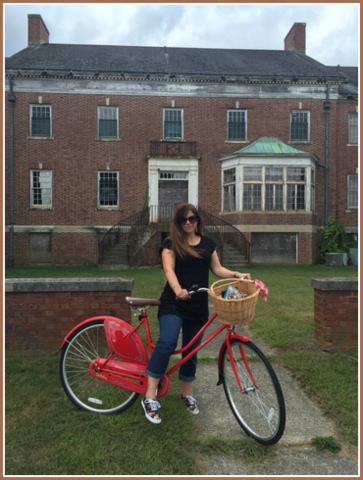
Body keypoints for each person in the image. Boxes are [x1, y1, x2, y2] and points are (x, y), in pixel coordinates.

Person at [141, 203, 250, 424]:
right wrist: (177, 289)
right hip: (174, 302)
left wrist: (237, 274)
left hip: (198, 304)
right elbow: (169, 269)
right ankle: (150, 396)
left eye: (192, 218)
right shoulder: (171, 243)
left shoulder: (208, 244)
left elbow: (217, 269)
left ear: (198, 220)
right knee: (168, 341)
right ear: (178, 222)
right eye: (184, 219)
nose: (188, 222)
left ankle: (186, 394)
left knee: (192, 350)